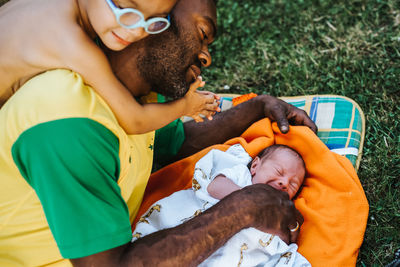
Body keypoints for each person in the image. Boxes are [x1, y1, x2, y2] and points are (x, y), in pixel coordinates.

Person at [0, 0, 317, 265]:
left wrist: (258, 107)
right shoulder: (66, 120)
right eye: (203, 33)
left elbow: (179, 143)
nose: (206, 56)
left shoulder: (136, 98)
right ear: (147, 19)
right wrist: (242, 209)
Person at [0, 0, 219, 136]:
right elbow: (134, 120)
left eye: (155, 20)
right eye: (124, 8)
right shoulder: (71, 43)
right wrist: (185, 107)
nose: (135, 31)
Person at [132, 144, 310, 266]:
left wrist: (290, 225)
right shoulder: (242, 176)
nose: (284, 183)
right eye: (279, 172)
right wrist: (251, 201)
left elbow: (285, 240)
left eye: (293, 184)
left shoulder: (282, 208)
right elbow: (214, 187)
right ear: (255, 165)